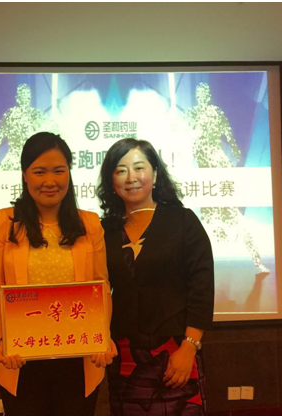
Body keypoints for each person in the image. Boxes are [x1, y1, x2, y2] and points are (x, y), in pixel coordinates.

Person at [0, 132, 117, 416]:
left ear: (69, 173)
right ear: (25, 175)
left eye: (59, 171)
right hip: (20, 357)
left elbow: (101, 286)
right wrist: (5, 339)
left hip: (79, 357)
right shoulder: (4, 222)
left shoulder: (89, 224)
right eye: (39, 171)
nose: (50, 181)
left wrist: (102, 335)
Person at [97, 138, 214, 415]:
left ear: (156, 174)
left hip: (176, 349)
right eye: (121, 170)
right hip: (124, 353)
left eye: (139, 168)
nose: (131, 177)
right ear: (111, 181)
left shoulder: (182, 221)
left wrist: (189, 347)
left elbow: (202, 287)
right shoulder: (104, 230)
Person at [185, 82, 269, 277]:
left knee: (238, 221)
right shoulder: (192, 114)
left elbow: (228, 132)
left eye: (204, 93)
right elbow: (182, 130)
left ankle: (257, 262)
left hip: (219, 177)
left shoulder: (216, 113)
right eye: (199, 94)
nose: (202, 97)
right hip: (204, 184)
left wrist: (234, 148)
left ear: (208, 96)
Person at [0, 83, 48, 170]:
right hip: (14, 157)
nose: (25, 98)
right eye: (23, 96)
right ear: (17, 98)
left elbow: (47, 134)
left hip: (32, 157)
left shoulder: (37, 115)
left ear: (29, 98)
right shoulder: (10, 114)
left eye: (27, 96)